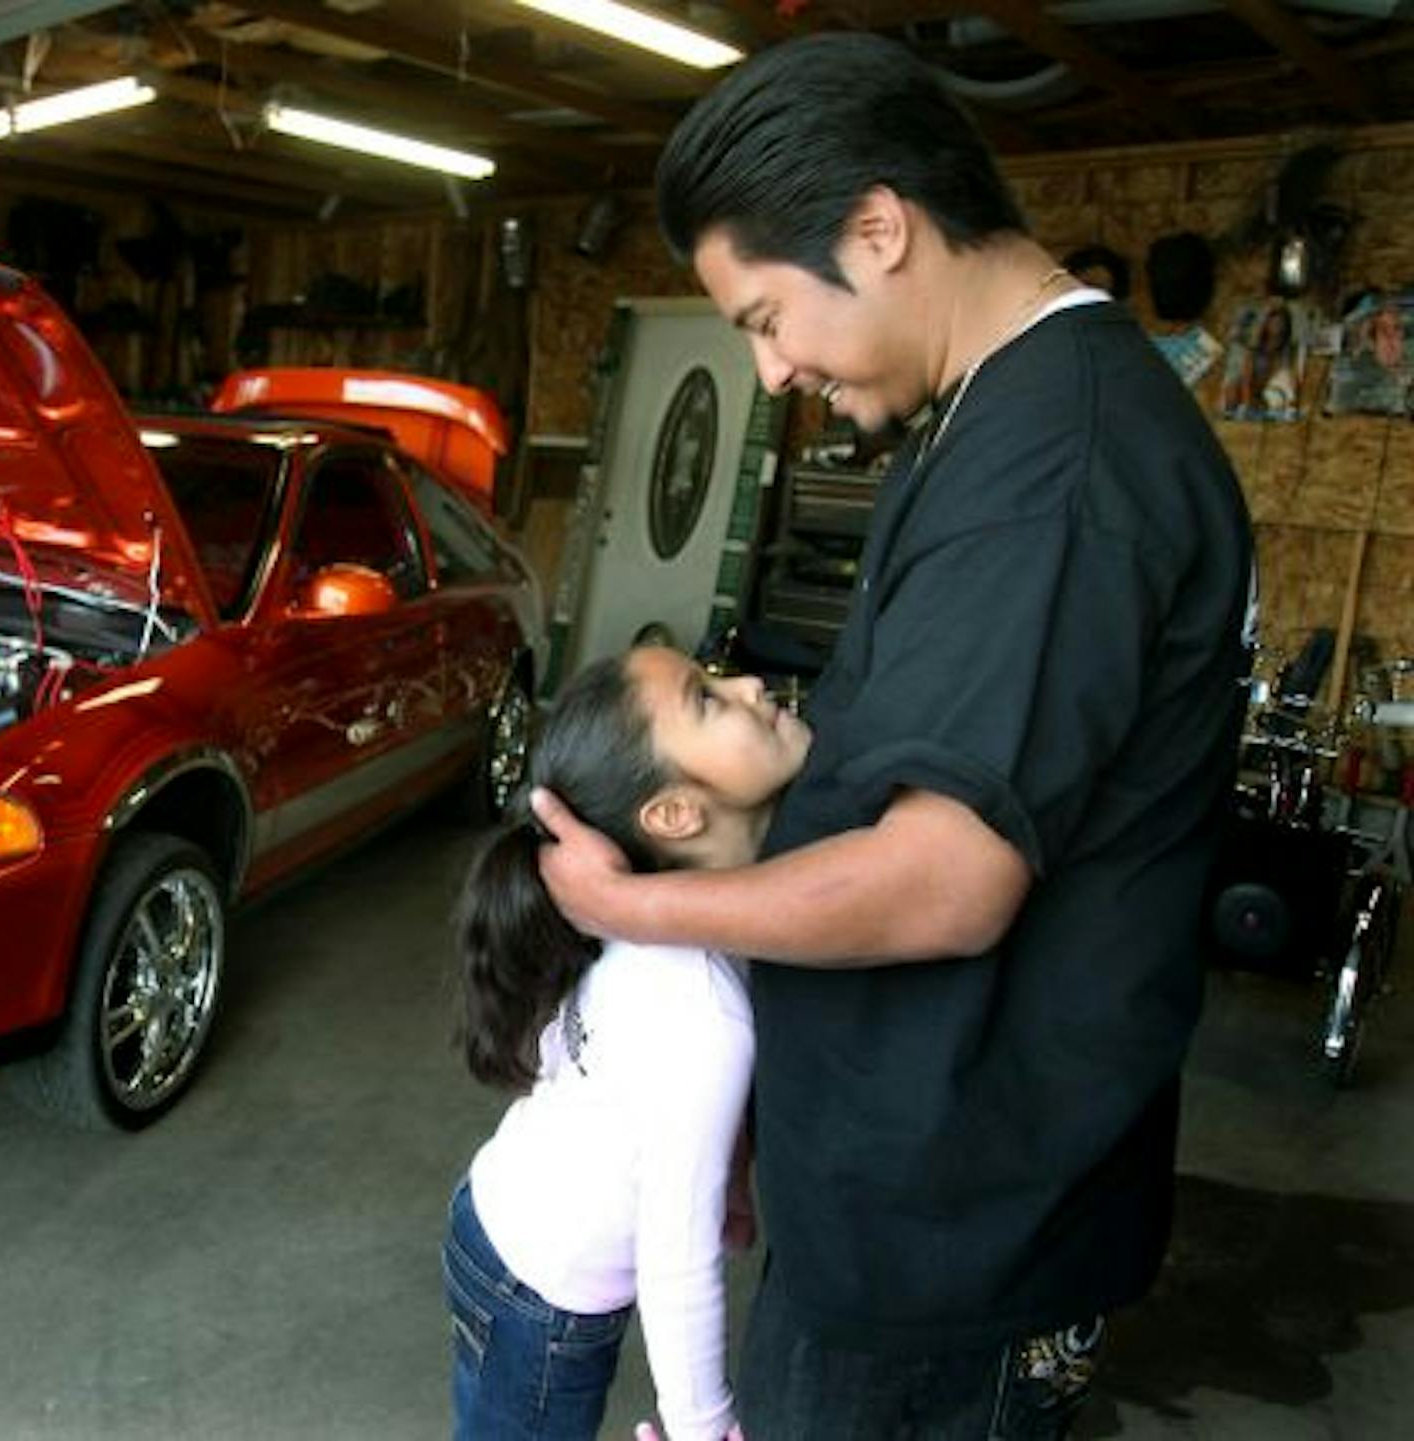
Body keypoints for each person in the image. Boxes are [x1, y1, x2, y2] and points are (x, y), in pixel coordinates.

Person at [533, 32, 1254, 1440]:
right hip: (888, 1174)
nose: (775, 369)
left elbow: (945, 878)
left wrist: (630, 903)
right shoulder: (977, 420)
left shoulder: (1060, 466)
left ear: (878, 228)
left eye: (762, 316)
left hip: (954, 1228)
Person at [446, 646, 808, 1441]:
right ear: (673, 814)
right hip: (539, 1295)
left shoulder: (632, 914)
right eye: (708, 700)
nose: (750, 684)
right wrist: (701, 1427)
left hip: (493, 1218)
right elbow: (676, 1258)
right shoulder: (703, 1015)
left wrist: (730, 1173)